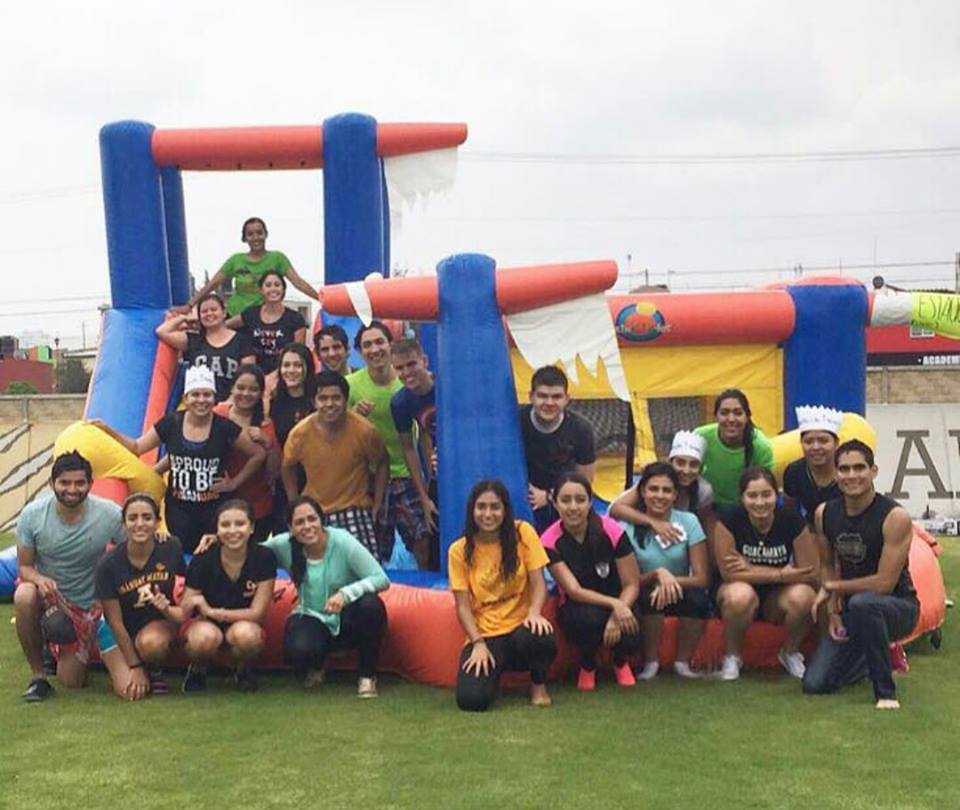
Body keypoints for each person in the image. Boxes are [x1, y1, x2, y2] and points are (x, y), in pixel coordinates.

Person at [90, 365, 267, 554]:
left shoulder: (224, 427)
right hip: (179, 510)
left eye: (207, 395)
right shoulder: (171, 423)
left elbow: (258, 454)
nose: (201, 400)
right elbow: (137, 447)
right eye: (195, 395)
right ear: (186, 398)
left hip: (214, 509)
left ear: (214, 398)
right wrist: (108, 430)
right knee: (182, 556)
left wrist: (234, 483)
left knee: (212, 557)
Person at [803, 440, 919, 710]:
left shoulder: (894, 517)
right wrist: (833, 612)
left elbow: (884, 584)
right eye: (844, 469)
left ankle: (885, 693)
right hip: (853, 610)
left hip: (898, 607)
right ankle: (874, 652)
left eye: (859, 468)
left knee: (864, 603)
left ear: (873, 471)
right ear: (835, 474)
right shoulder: (824, 513)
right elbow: (827, 565)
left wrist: (833, 587)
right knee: (815, 684)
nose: (852, 475)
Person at [14, 451, 123, 701]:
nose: (72, 489)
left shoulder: (109, 514)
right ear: (52, 483)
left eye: (79, 483)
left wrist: (159, 537)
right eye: (65, 483)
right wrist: (40, 580)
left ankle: (59, 647)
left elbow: (136, 546)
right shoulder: (32, 515)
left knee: (72, 682)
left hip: (90, 605)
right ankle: (38, 676)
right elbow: (25, 568)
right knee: (24, 595)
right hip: (52, 599)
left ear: (90, 484)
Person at [265, 496, 389, 698]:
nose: (307, 526)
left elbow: (381, 578)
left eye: (312, 519)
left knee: (371, 606)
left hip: (348, 615)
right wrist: (218, 540)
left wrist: (345, 594)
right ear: (290, 528)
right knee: (297, 651)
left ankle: (367, 675)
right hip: (312, 615)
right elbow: (251, 551)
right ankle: (318, 663)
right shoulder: (284, 545)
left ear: (321, 520)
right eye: (299, 522)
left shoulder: (342, 541)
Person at [449, 480, 557, 711]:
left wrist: (534, 612)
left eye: (495, 507)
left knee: (540, 635)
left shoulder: (523, 533)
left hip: (520, 629)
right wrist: (477, 643)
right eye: (481, 507)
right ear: (472, 511)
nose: (488, 514)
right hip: (487, 634)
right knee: (471, 701)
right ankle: (493, 677)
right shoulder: (458, 550)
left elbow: (539, 583)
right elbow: (462, 606)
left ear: (505, 509)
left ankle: (538, 685)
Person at [713, 467, 818, 681]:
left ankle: (789, 652)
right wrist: (780, 574)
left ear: (776, 495)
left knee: (805, 596)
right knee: (740, 595)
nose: (760, 502)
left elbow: (809, 572)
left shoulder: (791, 519)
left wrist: (750, 569)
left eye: (766, 495)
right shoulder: (729, 519)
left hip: (776, 597)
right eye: (752, 496)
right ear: (742, 498)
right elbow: (729, 574)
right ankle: (732, 656)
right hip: (737, 590)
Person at [541, 473, 641, 691]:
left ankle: (620, 661)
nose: (573, 507)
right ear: (555, 503)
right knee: (588, 620)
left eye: (580, 500)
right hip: (580, 605)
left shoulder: (612, 530)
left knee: (632, 625)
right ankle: (588, 664)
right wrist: (615, 605)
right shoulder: (549, 541)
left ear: (590, 502)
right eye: (565, 500)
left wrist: (618, 610)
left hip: (619, 598)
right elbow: (574, 590)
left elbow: (632, 583)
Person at [346, 321, 432, 565]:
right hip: (370, 473)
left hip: (405, 471)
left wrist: (428, 479)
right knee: (373, 542)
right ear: (360, 352)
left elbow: (424, 432)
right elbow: (337, 427)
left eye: (379, 342)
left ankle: (426, 582)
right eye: (367, 345)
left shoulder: (408, 382)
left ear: (390, 345)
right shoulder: (351, 384)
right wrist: (353, 414)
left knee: (422, 536)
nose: (374, 349)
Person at [282, 370, 389, 559]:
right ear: (314, 402)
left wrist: (378, 504)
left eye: (336, 398)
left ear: (345, 400)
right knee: (312, 566)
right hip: (315, 509)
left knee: (366, 567)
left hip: (355, 507)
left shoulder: (365, 431)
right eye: (323, 398)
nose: (329, 404)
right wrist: (294, 503)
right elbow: (287, 466)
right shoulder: (299, 434)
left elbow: (382, 462)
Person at [619, 462, 711, 680]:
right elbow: (627, 580)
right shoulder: (627, 526)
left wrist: (670, 581)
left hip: (679, 587)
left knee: (697, 600)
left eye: (666, 490)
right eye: (653, 489)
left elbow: (702, 578)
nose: (659, 496)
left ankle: (682, 662)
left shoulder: (689, 521)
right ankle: (651, 662)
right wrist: (656, 575)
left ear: (675, 495)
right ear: (643, 492)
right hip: (643, 587)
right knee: (651, 597)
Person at [180, 499, 277, 692]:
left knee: (248, 636)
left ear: (251, 527)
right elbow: (185, 607)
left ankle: (242, 669)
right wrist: (194, 605)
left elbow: (257, 613)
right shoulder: (202, 558)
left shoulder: (264, 557)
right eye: (225, 525)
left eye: (240, 524)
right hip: (205, 624)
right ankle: (198, 668)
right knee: (202, 639)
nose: (233, 531)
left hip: (243, 622)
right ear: (216, 529)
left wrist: (213, 612)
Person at [95, 493, 185, 700]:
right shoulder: (108, 564)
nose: (140, 524)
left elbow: (185, 586)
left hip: (156, 624)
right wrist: (134, 666)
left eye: (147, 518)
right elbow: (115, 622)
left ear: (157, 522)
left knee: (152, 643)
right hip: (120, 629)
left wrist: (170, 609)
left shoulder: (171, 547)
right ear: (124, 524)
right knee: (129, 692)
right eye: (132, 518)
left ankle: (154, 668)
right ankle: (127, 662)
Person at [180, 216, 318, 317]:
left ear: (266, 234)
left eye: (259, 233)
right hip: (235, 314)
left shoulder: (277, 258)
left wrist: (321, 299)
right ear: (245, 238)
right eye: (250, 234)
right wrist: (189, 305)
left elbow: (298, 282)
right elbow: (212, 285)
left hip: (263, 317)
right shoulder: (236, 260)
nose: (255, 237)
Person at [520, 365, 597, 532]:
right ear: (531, 396)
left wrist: (549, 496)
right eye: (542, 396)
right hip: (521, 499)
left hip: (562, 502)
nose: (549, 403)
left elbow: (585, 482)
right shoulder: (516, 422)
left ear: (566, 399)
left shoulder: (581, 429)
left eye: (556, 397)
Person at [609, 430, 716, 543]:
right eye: (680, 463)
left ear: (701, 469)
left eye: (693, 465)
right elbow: (615, 509)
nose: (686, 470)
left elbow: (703, 524)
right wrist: (653, 522)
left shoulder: (703, 491)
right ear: (670, 463)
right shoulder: (656, 480)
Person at [213, 365, 281, 543]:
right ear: (232, 388)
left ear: (261, 393)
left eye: (253, 389)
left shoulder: (266, 425)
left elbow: (273, 473)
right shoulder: (218, 414)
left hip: (256, 505)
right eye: (241, 387)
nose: (246, 393)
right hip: (219, 501)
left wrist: (268, 444)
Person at [390, 337, 438, 568]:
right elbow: (408, 449)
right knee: (433, 534)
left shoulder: (445, 385)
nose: (407, 372)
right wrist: (424, 497)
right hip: (437, 472)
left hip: (461, 462)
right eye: (400, 368)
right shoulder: (401, 402)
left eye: (411, 364)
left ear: (424, 361)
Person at [157, 292, 256, 402]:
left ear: (224, 313)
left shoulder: (242, 341)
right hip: (199, 404)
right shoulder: (194, 340)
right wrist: (184, 318)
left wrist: (229, 403)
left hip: (231, 404)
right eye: (204, 311)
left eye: (214, 310)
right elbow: (162, 331)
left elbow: (247, 376)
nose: (209, 314)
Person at [695, 389, 774, 508]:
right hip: (706, 506)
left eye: (738, 413)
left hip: (747, 508)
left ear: (747, 416)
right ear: (716, 416)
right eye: (724, 413)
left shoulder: (761, 446)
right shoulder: (700, 437)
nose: (731, 419)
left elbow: (766, 489)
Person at [268, 343, 317, 533]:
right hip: (284, 479)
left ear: (307, 368)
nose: (291, 370)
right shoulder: (273, 402)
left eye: (297, 365)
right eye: (286, 365)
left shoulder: (317, 400)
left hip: (315, 477)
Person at [226, 270, 307, 377]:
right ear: (261, 290)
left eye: (277, 285)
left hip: (284, 375)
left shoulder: (296, 319)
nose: (273, 289)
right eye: (268, 285)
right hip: (253, 376)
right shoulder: (251, 314)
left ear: (283, 289)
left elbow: (299, 354)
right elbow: (224, 326)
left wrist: (273, 377)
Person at [783, 405, 843, 526]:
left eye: (823, 441)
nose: (815, 447)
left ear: (836, 443)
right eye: (809, 441)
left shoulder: (849, 473)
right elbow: (790, 515)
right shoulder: (794, 472)